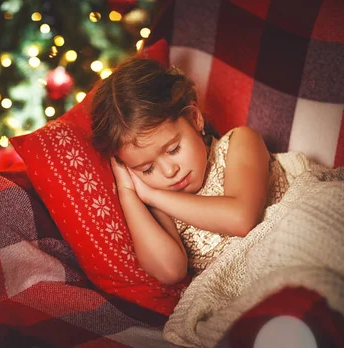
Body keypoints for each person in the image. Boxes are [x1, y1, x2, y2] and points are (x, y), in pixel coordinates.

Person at [90, 58, 289, 284]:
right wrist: (128, 193)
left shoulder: (239, 142)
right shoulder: (163, 203)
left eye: (174, 149)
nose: (169, 171)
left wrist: (152, 194)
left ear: (194, 119)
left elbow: (240, 219)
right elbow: (170, 270)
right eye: (147, 169)